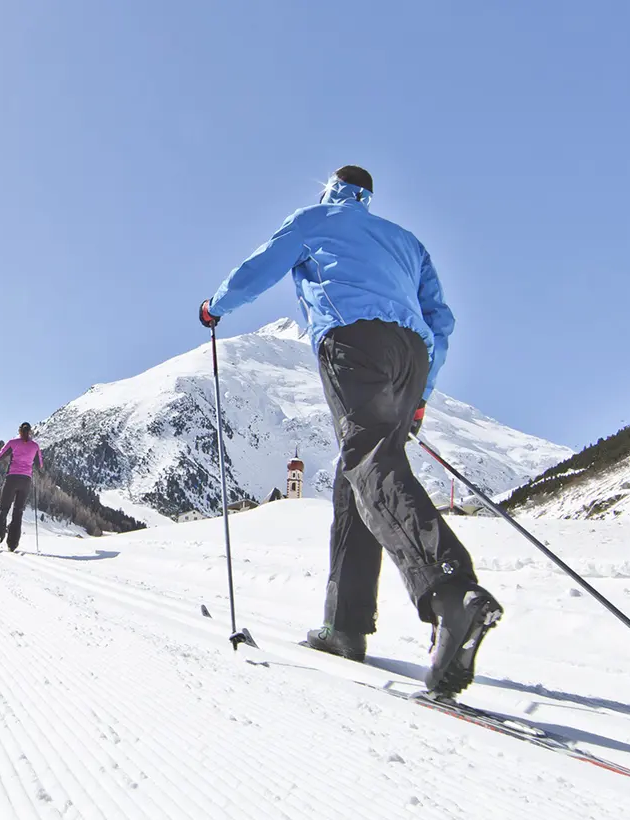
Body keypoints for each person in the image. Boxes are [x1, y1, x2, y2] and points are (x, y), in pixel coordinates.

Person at [198, 165, 501, 699]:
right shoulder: (408, 243)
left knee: (368, 463)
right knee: (355, 477)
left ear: (331, 189)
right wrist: (423, 393)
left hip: (354, 340)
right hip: (412, 356)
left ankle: (451, 590)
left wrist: (214, 307)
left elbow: (260, 268)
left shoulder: (315, 220)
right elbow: (443, 321)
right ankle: (346, 626)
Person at [0, 422, 44, 552]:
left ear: (19, 431)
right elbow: (40, 465)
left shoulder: (13, 443)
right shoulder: (35, 446)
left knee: (4, 509)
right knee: (18, 511)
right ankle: (12, 544)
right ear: (30, 432)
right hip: (26, 481)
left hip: (12, 479)